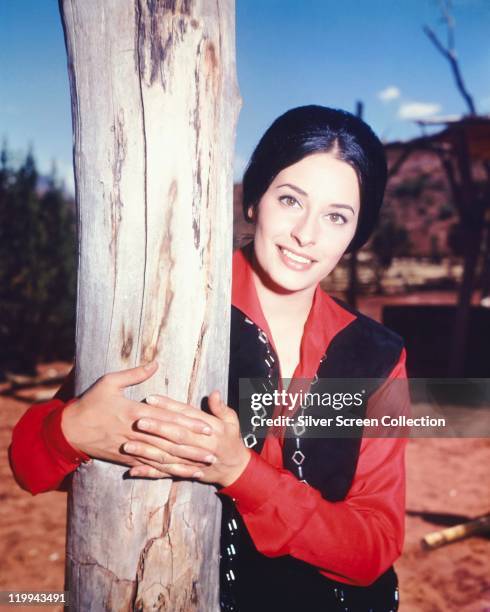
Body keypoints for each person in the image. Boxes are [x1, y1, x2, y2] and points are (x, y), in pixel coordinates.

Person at [9, 106, 409, 612]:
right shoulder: (174, 310)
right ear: (254, 199)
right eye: (290, 200)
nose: (308, 234)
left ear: (357, 233)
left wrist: (240, 470)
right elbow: (29, 463)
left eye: (336, 216)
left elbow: (373, 545)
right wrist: (67, 430)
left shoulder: (379, 354)